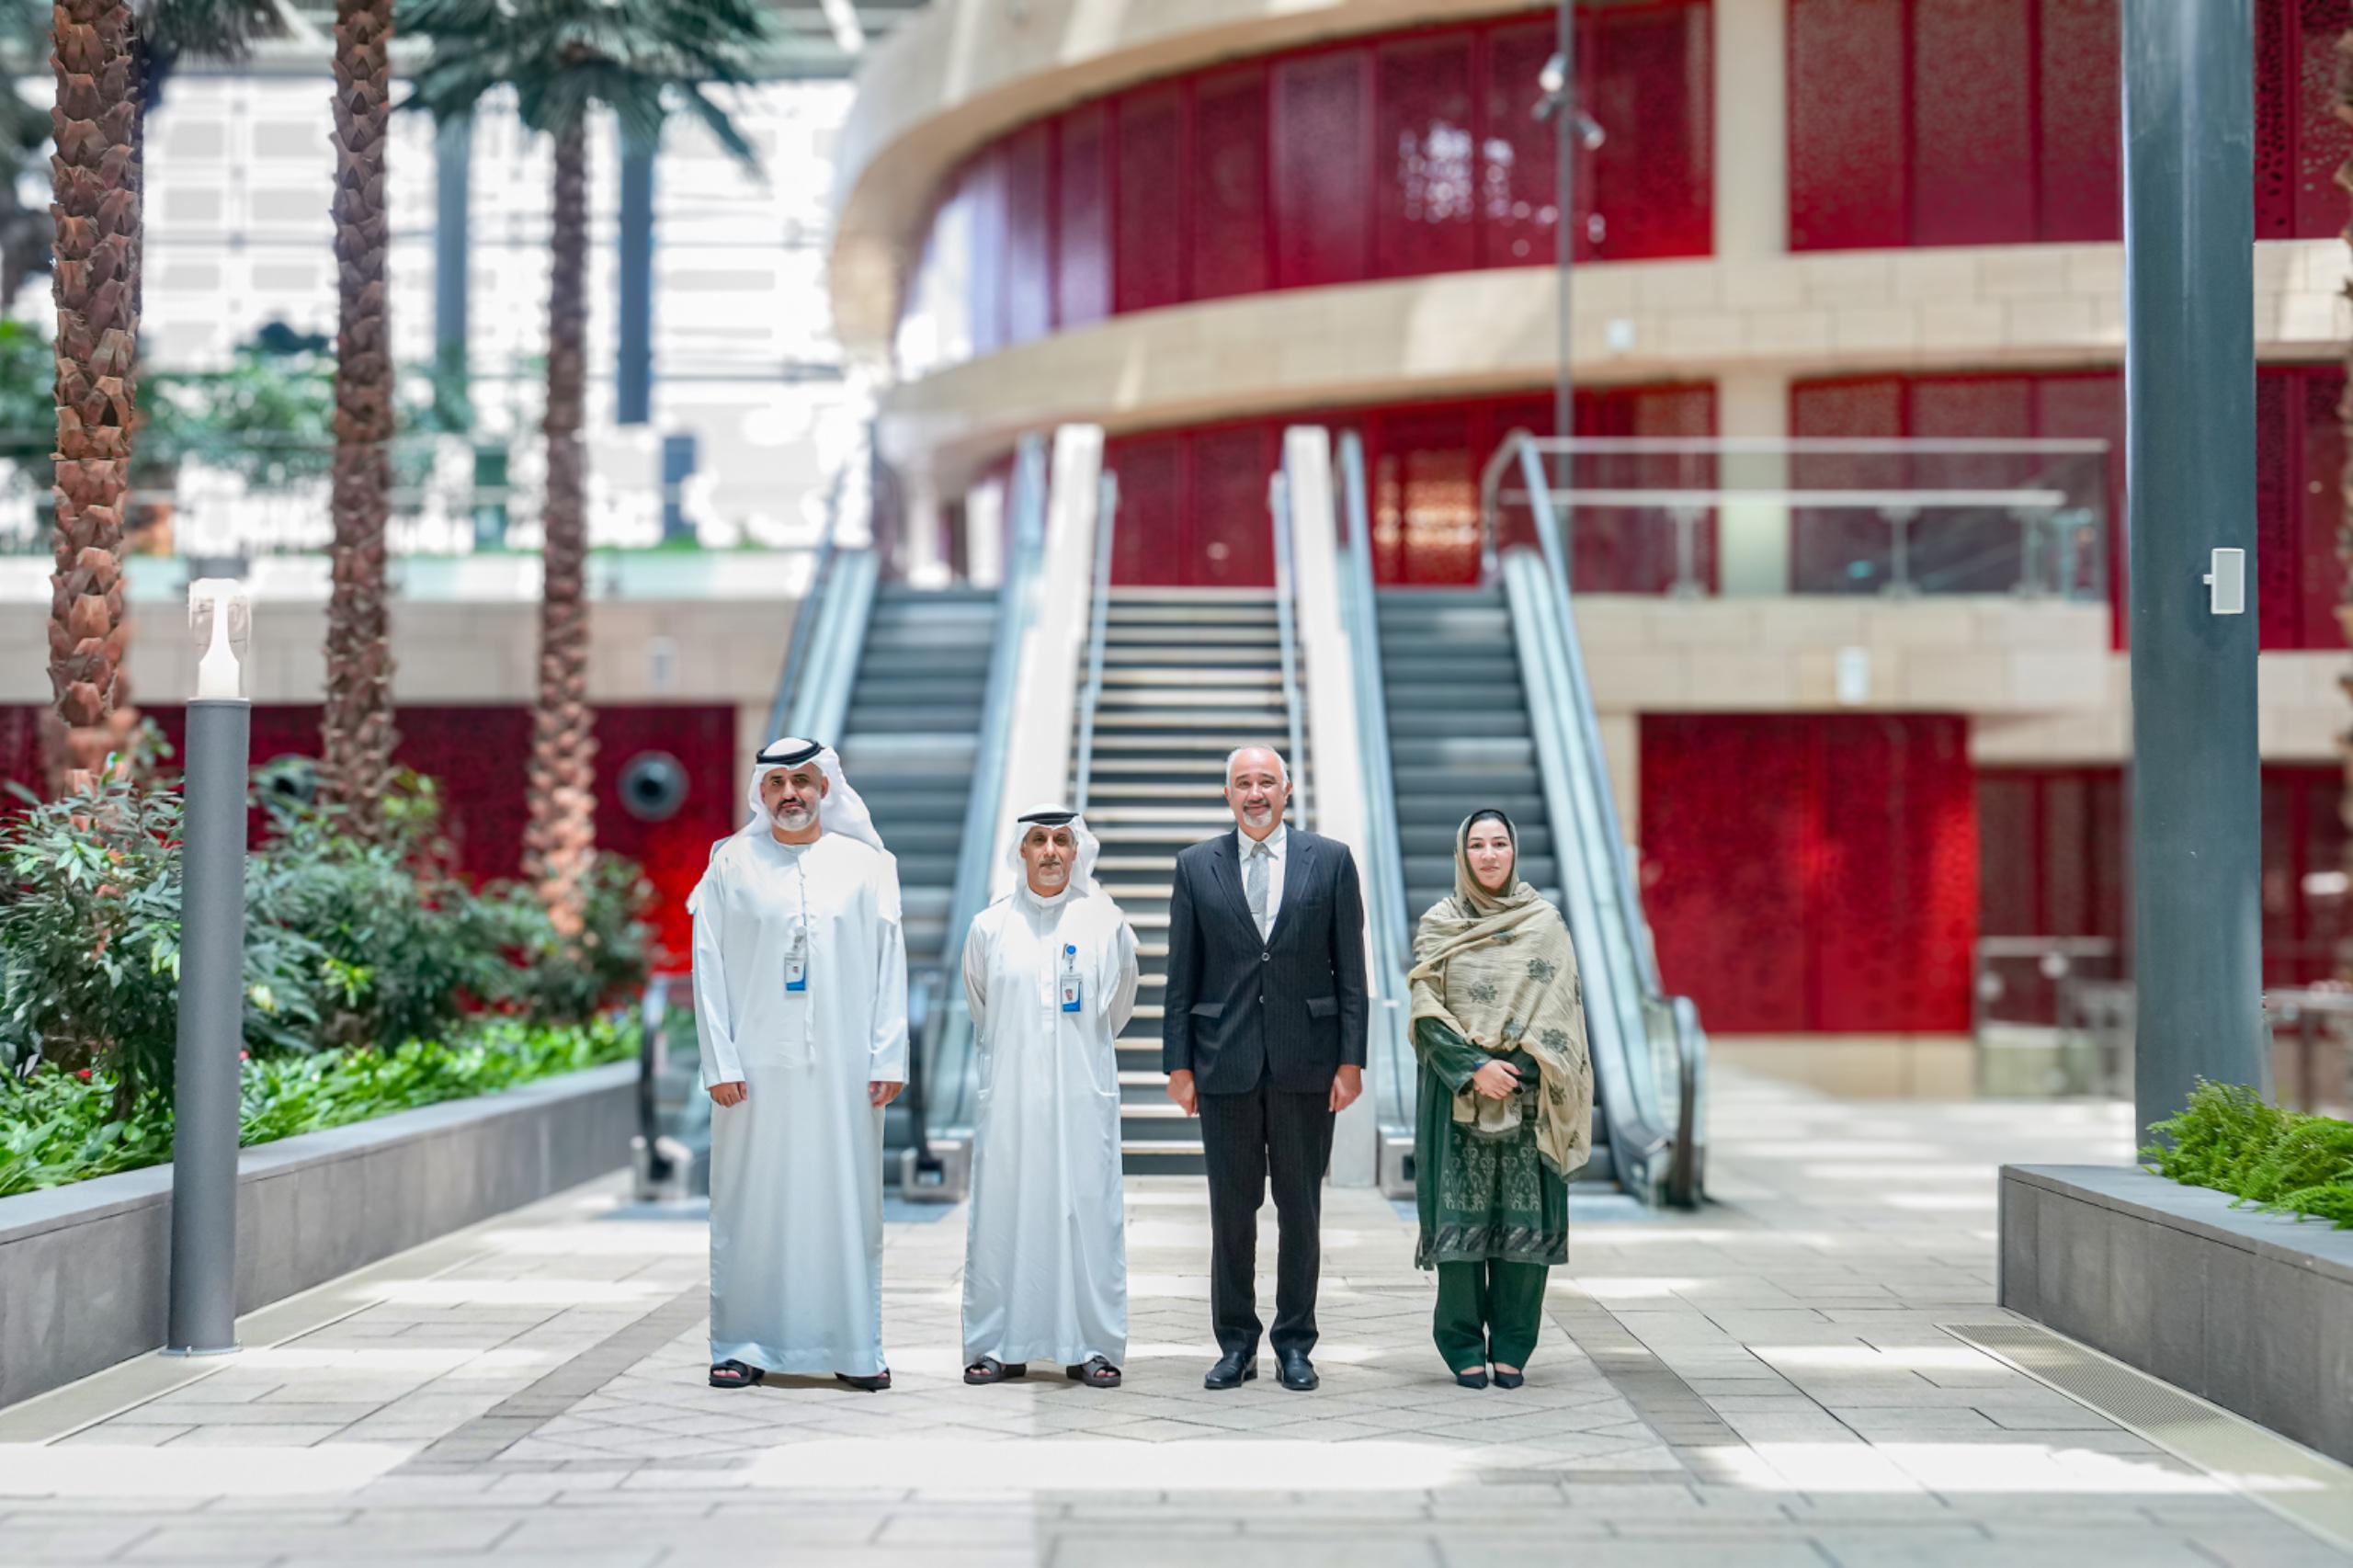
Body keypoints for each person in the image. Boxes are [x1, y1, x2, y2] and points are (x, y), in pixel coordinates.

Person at [688, 738, 908, 1393]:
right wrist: (718, 1060)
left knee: (847, 1202)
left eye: (803, 781)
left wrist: (888, 1051)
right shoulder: (730, 863)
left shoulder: (866, 865)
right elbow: (708, 967)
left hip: (847, 1070)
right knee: (752, 1203)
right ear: (760, 794)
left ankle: (853, 1346)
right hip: (753, 1072)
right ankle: (744, 1345)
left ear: (826, 789)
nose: (791, 794)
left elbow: (890, 962)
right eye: (777, 783)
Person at [1162, 744, 1369, 1392]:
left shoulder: (1330, 861)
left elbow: (1351, 972)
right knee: (1231, 1212)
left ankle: (1295, 1344)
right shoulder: (1196, 866)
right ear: (1228, 795)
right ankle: (1236, 1344)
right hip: (1224, 1062)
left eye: (1266, 782)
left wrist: (1352, 1058)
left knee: (1300, 1209)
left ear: (1287, 790)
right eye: (1242, 783)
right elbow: (1180, 974)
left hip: (1307, 1061)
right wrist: (1178, 1065)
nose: (1255, 793)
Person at [1407, 809, 1593, 1390]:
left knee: (1524, 1225)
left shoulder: (1546, 923)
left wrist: (1514, 1067)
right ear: (1462, 856)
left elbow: (1564, 1013)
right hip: (1457, 1093)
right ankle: (1461, 1344)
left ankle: (1514, 1345)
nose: (1489, 855)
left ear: (1515, 851)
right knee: (1459, 1226)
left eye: (1500, 844)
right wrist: (1473, 1067)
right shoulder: (1439, 924)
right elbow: (1425, 1007)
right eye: (1478, 845)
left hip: (1528, 1094)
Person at [959, 806, 1140, 1390]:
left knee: (1086, 1216)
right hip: (1010, 1098)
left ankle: (1092, 1346)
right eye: (1038, 841)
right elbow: (982, 1007)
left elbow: (1118, 1009)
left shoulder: (1106, 923)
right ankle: (997, 1344)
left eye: (1062, 840)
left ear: (1078, 851)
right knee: (1005, 1213)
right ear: (1021, 852)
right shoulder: (989, 926)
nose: (1051, 852)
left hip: (1081, 1097)